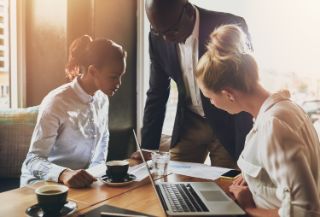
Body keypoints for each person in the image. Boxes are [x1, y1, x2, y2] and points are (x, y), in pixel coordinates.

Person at [196, 24, 320, 216]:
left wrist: (248, 208)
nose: (211, 103)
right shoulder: (285, 109)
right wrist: (253, 180)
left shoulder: (273, 126)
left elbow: (304, 211)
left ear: (228, 94)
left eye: (209, 96)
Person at [132, 0, 253, 167]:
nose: (166, 39)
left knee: (227, 186)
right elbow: (157, 92)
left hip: (226, 123)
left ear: (188, 11)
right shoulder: (157, 37)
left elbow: (244, 89)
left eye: (172, 30)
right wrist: (147, 147)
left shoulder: (229, 26)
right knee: (172, 180)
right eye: (158, 31)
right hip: (189, 122)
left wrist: (245, 155)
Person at [20, 35, 127, 188]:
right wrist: (64, 174)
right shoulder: (57, 102)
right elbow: (33, 160)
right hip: (41, 185)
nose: (119, 83)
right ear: (93, 71)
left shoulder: (103, 98)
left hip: (79, 185)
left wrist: (96, 173)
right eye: (113, 77)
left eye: (121, 76)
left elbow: (103, 138)